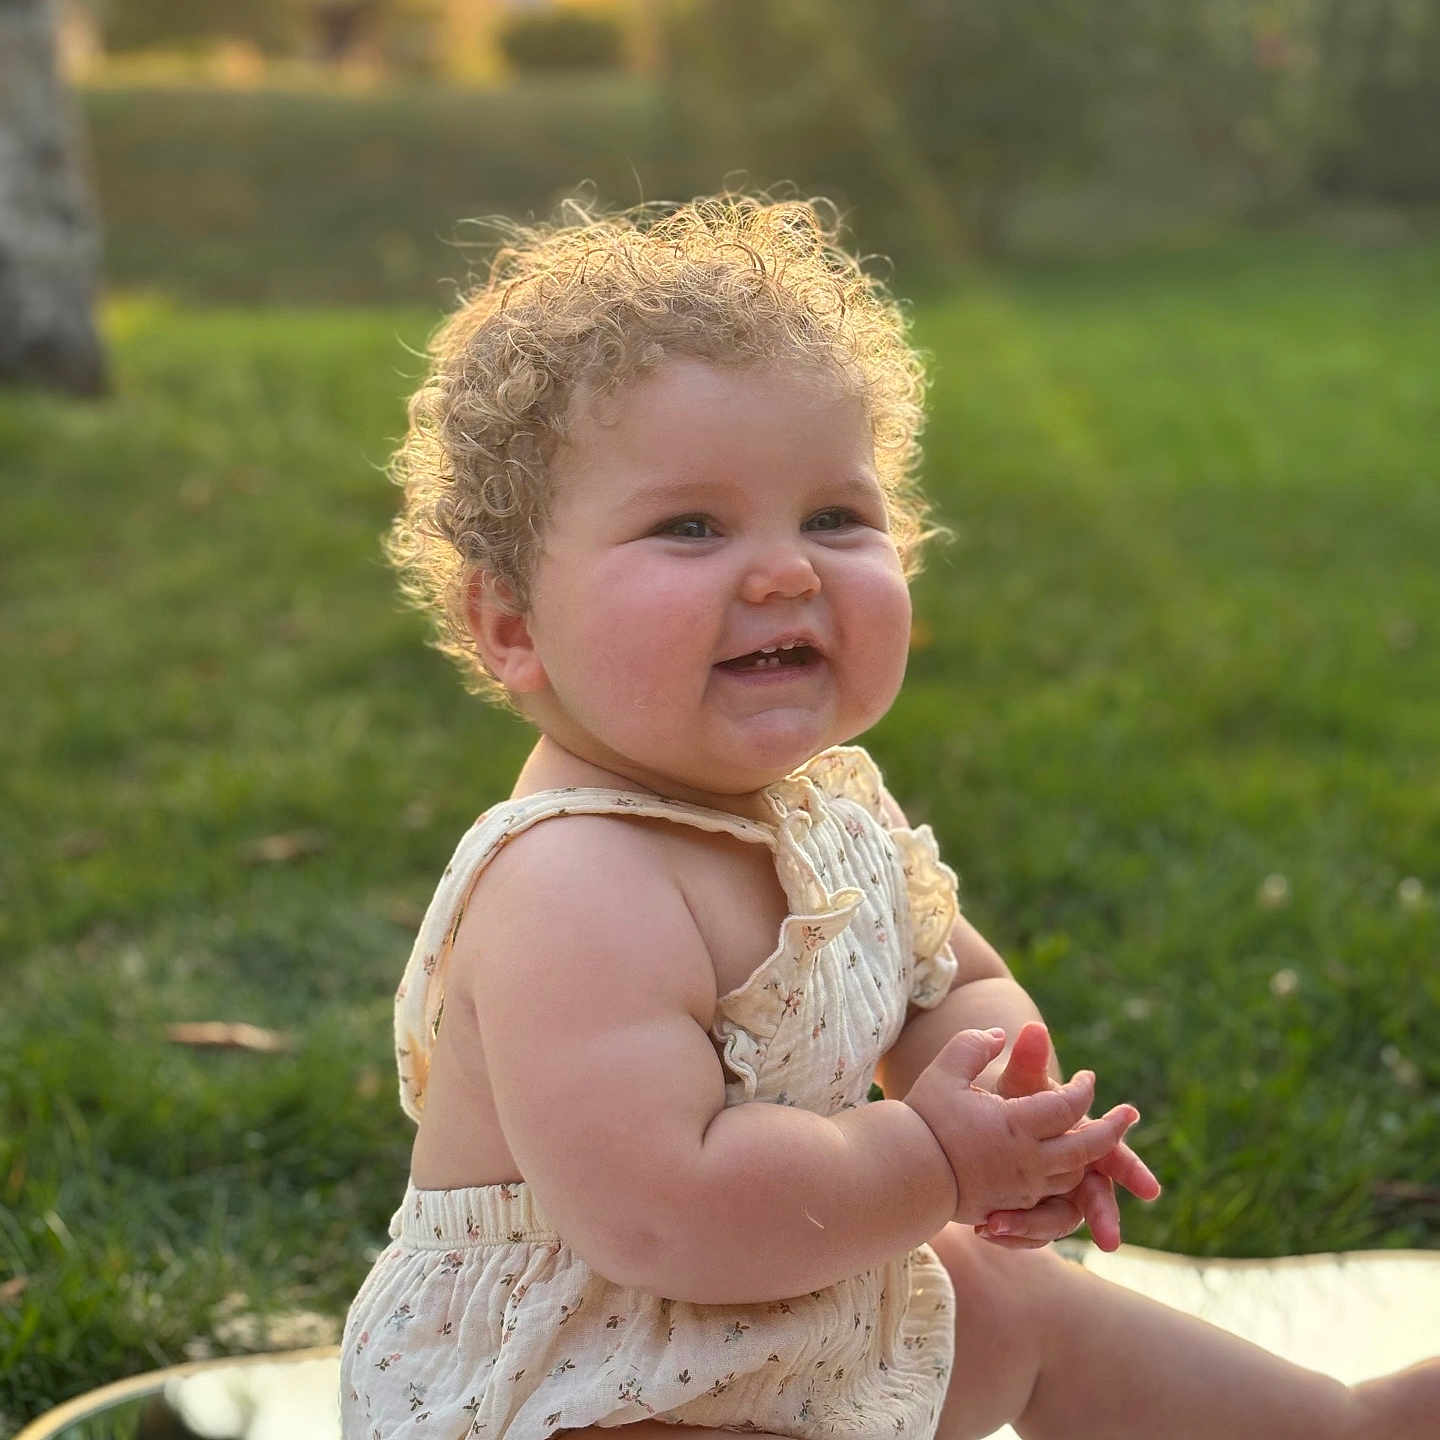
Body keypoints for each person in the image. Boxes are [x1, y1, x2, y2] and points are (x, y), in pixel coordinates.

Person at [340, 195, 1437, 1440]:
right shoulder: (573, 886)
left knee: (1011, 1297)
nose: (785, 570)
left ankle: (1342, 1428)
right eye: (690, 527)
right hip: (581, 1388)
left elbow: (945, 984)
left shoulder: (832, 809)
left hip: (780, 1313)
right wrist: (936, 1165)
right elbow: (669, 1212)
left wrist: (1006, 1104)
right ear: (512, 628)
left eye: (835, 517)